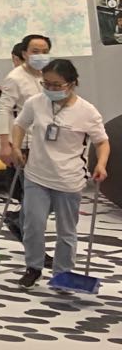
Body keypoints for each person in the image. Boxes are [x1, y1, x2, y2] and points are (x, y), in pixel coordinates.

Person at [10, 59, 109, 288]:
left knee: (66, 230)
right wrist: (15, 147)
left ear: (72, 83)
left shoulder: (87, 111)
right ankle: (33, 267)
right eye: (46, 84)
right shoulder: (36, 102)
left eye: (57, 85)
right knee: (33, 224)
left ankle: (62, 273)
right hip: (36, 175)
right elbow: (19, 125)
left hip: (69, 179)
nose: (50, 89)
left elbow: (102, 142)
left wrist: (101, 164)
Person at [0, 33, 52, 243]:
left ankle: (18, 220)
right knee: (34, 196)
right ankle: (34, 247)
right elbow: (4, 110)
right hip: (25, 144)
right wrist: (5, 144)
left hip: (49, 143)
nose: (40, 55)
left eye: (45, 52)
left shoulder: (50, 75)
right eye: (35, 51)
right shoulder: (15, 78)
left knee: (52, 197)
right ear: (25, 53)